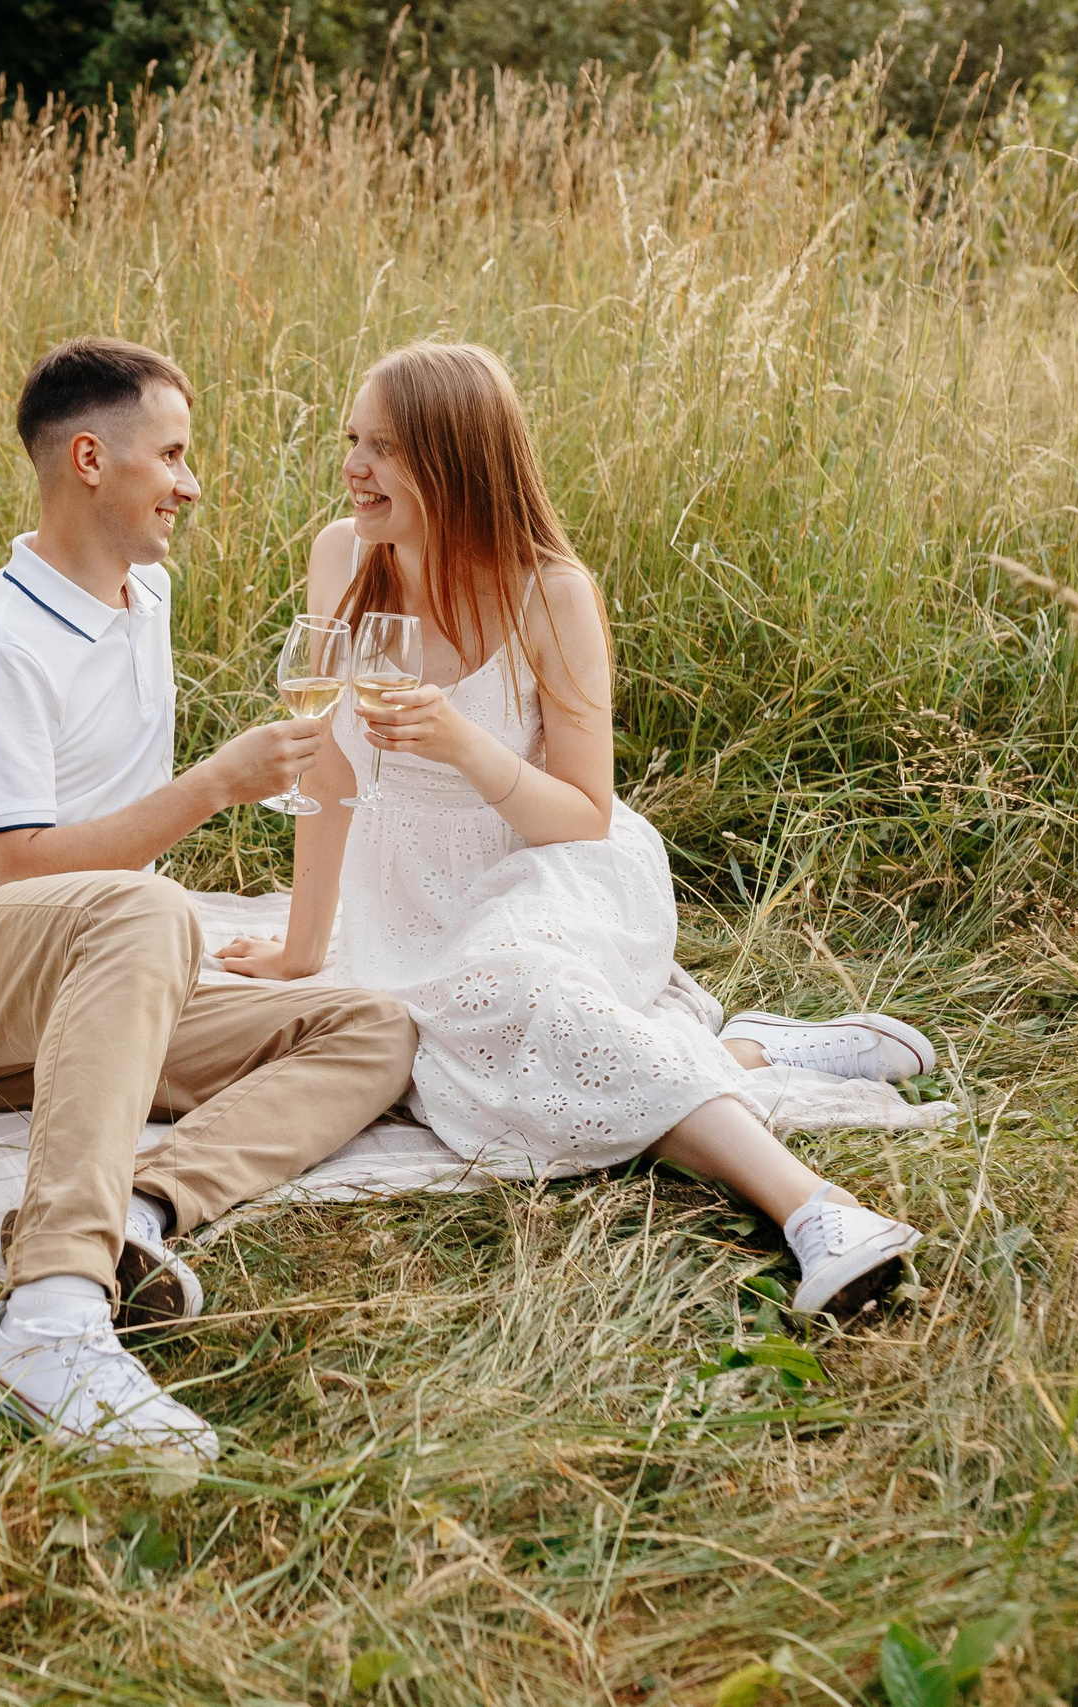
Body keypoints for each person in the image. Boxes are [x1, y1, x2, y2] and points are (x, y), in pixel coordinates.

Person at [219, 341, 931, 1316]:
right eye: (351, 440)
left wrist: (468, 747)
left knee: (522, 994)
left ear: (454, 458)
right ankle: (756, 1054)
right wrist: (307, 951)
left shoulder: (549, 593)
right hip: (407, 896)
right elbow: (332, 768)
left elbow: (582, 813)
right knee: (441, 1062)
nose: (351, 467)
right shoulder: (341, 554)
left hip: (548, 865)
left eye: (380, 447)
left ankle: (816, 1211)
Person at [0, 336, 417, 1461]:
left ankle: (137, 1215)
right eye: (170, 455)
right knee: (153, 909)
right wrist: (217, 785)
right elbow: (20, 869)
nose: (191, 481)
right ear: (89, 459)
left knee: (371, 1025)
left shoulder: (147, 593)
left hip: (83, 998)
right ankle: (50, 1314)